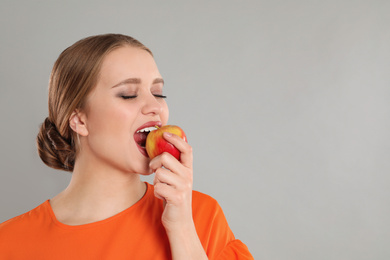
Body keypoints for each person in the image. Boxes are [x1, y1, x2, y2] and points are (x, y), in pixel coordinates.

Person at [0, 33, 253, 259]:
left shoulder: (200, 217)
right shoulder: (9, 243)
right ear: (79, 119)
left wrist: (182, 229)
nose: (155, 106)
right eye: (128, 94)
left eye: (158, 93)